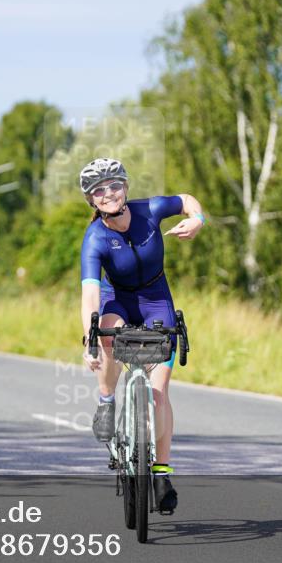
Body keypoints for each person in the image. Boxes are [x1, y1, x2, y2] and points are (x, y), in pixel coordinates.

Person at [79, 158, 205, 513]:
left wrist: (198, 219)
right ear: (91, 200)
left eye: (114, 185)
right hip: (116, 298)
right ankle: (106, 400)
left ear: (126, 187)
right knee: (107, 335)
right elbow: (89, 291)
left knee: (159, 394)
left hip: (155, 301)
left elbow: (186, 199)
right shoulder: (96, 238)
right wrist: (88, 335)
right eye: (99, 191)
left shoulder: (149, 210)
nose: (108, 194)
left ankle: (161, 472)